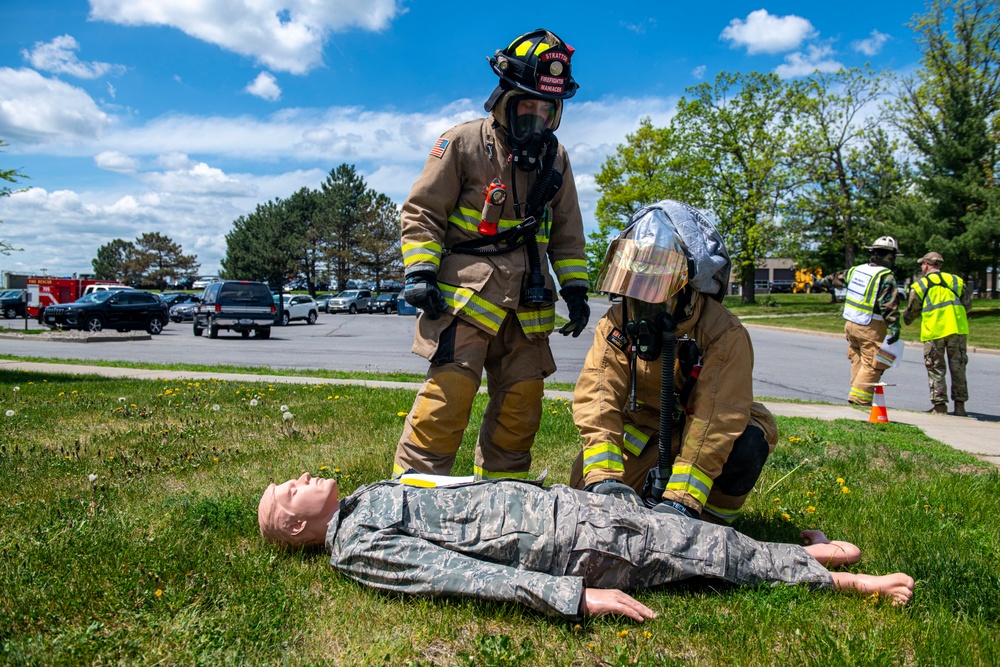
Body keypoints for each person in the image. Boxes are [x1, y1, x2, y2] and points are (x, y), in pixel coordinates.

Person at [257, 473, 915, 622]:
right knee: (694, 552)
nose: (299, 480)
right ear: (294, 529)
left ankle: (812, 555)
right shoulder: (357, 545)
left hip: (567, 507)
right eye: (289, 493)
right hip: (569, 545)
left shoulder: (361, 501)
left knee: (688, 528)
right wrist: (576, 596)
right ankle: (853, 583)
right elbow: (453, 574)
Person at [394, 28, 590, 481]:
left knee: (521, 413)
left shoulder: (555, 162)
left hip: (528, 307)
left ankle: (503, 500)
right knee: (445, 403)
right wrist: (421, 270)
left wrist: (576, 288)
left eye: (547, 109)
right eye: (528, 106)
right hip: (465, 302)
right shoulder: (462, 144)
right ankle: (412, 495)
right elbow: (423, 210)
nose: (536, 117)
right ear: (504, 101)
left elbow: (568, 232)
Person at [571, 200, 778, 525]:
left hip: (699, 439)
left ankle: (712, 522)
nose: (640, 298)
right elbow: (597, 400)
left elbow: (715, 420)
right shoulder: (616, 323)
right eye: (634, 284)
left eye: (654, 286)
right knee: (584, 504)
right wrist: (604, 478)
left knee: (748, 442)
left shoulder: (723, 334)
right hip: (643, 437)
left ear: (687, 289)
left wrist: (682, 502)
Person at [825, 236, 902, 406]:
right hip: (871, 326)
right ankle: (860, 400)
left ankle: (855, 395)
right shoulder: (886, 276)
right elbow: (888, 306)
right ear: (889, 256)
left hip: (851, 325)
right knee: (873, 364)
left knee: (858, 358)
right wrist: (895, 328)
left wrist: (819, 282)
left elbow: (832, 279)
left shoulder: (856, 270)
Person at [903, 251, 971, 416]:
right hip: (957, 330)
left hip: (934, 332)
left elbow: (912, 311)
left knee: (935, 368)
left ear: (926, 265)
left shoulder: (920, 285)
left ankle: (939, 406)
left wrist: (906, 319)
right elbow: (967, 305)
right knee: (958, 367)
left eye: (922, 264)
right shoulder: (956, 281)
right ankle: (960, 407)